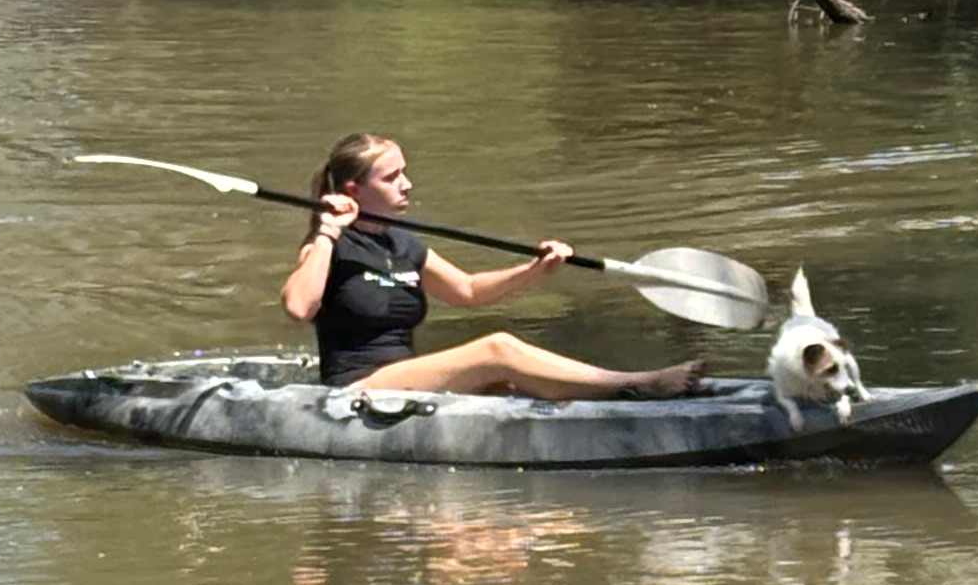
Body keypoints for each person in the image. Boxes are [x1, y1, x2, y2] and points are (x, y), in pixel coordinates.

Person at [280, 131, 703, 399]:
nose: (407, 185)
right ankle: (634, 384)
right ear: (355, 189)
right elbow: (299, 307)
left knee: (512, 383)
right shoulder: (327, 247)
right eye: (391, 178)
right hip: (355, 387)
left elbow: (467, 291)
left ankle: (617, 403)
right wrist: (328, 229)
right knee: (496, 348)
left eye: (405, 173)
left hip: (408, 376)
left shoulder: (403, 244)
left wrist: (534, 270)